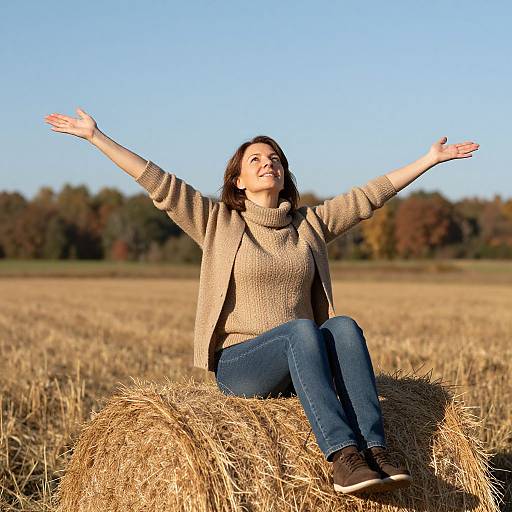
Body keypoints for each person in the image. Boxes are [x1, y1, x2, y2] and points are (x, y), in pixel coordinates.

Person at [44, 107, 479, 495]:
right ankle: (342, 456)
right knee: (302, 330)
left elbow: (367, 198)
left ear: (285, 175)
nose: (267, 164)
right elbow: (159, 182)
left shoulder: (308, 225)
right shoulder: (217, 222)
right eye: (256, 159)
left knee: (342, 326)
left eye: (275, 159)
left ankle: (376, 450)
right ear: (238, 180)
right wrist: (96, 137)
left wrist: (429, 160)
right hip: (242, 366)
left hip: (300, 362)